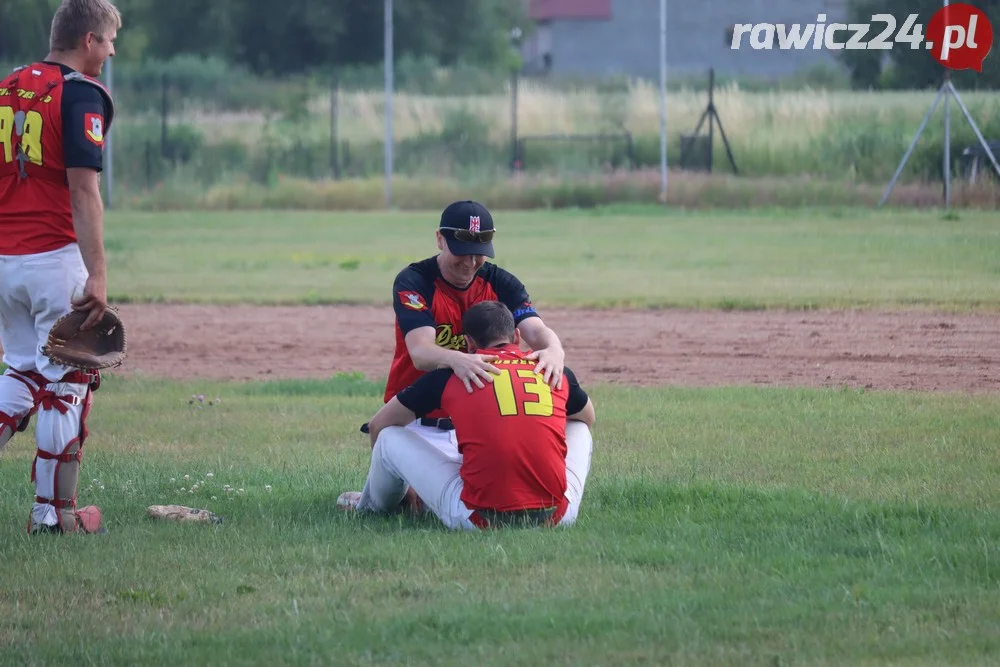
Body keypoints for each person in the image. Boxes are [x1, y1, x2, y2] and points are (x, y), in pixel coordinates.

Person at [0, 0, 120, 534]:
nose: (113, 50)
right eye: (110, 40)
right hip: (53, 257)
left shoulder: (6, 88)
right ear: (88, 40)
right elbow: (82, 186)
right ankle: (53, 516)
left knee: (23, 372)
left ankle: (54, 511)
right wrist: (96, 273)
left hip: (5, 259)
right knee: (66, 380)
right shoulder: (80, 93)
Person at [340, 301, 595, 530]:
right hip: (558, 517)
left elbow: (378, 425)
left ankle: (371, 508)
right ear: (516, 336)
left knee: (387, 437)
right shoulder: (553, 369)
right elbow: (587, 417)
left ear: (469, 343)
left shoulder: (452, 375)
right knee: (579, 426)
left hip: (477, 520)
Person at [380, 200, 566, 464]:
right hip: (413, 421)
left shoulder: (502, 282)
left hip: (476, 423)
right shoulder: (415, 281)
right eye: (462, 251)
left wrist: (555, 350)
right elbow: (421, 353)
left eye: (479, 253)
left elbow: (535, 332)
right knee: (407, 505)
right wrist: (459, 360)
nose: (470, 261)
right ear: (439, 240)